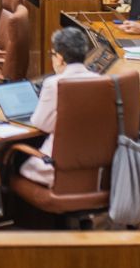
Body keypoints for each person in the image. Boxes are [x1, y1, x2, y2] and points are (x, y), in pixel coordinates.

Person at [17, 28, 95, 186]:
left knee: (13, 155)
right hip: (93, 169)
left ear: (60, 58)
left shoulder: (53, 84)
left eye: (52, 54)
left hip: (56, 168)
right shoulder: (101, 81)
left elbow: (41, 124)